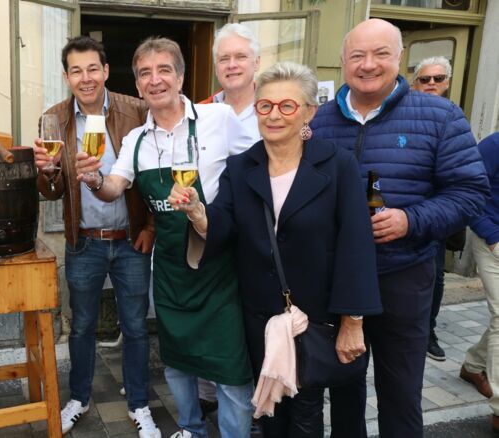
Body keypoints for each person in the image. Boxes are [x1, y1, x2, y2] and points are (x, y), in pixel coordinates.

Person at [170, 61, 382, 437]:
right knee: (269, 411)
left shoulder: (337, 166)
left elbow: (356, 245)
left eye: (287, 106)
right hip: (260, 316)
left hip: (314, 315)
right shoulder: (241, 165)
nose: (273, 115)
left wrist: (354, 321)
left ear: (309, 112)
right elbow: (223, 229)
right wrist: (198, 213)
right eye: (265, 106)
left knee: (305, 412)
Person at [311, 19, 489, 437]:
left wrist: (412, 220)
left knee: (400, 392)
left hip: (403, 277)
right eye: (357, 55)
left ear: (399, 59)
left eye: (380, 54)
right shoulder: (319, 121)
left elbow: (470, 193)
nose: (368, 64)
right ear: (342, 62)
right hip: (339, 282)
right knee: (344, 388)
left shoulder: (441, 116)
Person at [76, 37, 256, 438]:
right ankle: (191, 428)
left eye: (163, 70)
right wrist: (92, 179)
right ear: (138, 85)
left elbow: (260, 162)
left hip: (219, 263)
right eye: (144, 73)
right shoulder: (135, 140)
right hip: (171, 267)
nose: (154, 80)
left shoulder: (219, 119)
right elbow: (114, 186)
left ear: (181, 77)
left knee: (229, 365)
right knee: (176, 360)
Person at [32, 36, 159, 437]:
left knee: (136, 326)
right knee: (82, 325)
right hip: (83, 241)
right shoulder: (53, 119)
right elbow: (51, 191)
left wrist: (151, 227)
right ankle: (79, 397)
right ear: (67, 76)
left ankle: (139, 404)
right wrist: (49, 173)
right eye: (76, 71)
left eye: (92, 69)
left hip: (129, 239)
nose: (85, 78)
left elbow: (156, 173)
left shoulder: (137, 111)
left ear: (105, 71)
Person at [195, 22, 263, 418]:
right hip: (213, 233)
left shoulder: (275, 107)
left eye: (240, 57)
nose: (232, 64)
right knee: (213, 316)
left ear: (257, 62)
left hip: (261, 235)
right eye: (224, 58)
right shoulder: (201, 111)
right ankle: (208, 396)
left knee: (253, 321)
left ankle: (257, 407)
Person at [411, 55, 455, 362]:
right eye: (425, 79)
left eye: (438, 79)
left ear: (447, 83)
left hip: (434, 216)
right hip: (397, 214)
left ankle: (428, 330)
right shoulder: (403, 116)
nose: (431, 84)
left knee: (435, 277)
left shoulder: (453, 118)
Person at [461, 131, 499, 434]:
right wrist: (493, 236)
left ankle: (474, 364)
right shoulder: (493, 145)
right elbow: (471, 193)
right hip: (492, 241)